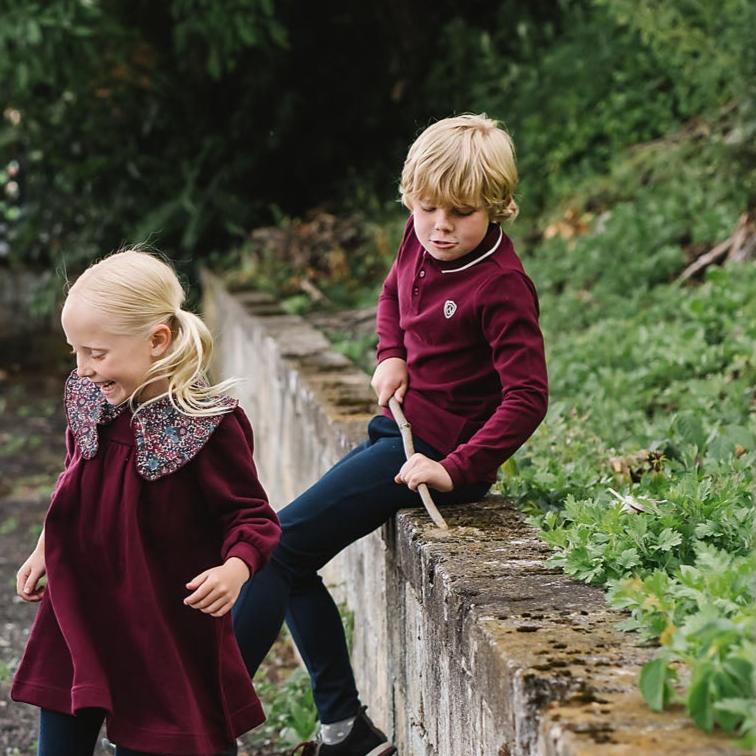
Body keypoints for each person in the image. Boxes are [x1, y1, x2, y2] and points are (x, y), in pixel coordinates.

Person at [232, 113, 549, 756]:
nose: (439, 226)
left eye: (460, 213)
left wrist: (456, 468)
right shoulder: (419, 239)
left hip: (433, 454)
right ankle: (344, 728)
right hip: (396, 435)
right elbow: (391, 294)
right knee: (290, 560)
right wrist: (390, 353)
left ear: (495, 207)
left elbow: (526, 397)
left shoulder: (501, 285)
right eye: (427, 208)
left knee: (275, 548)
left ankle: (197, 712)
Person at [12, 249, 281, 755]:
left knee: (158, 742)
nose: (83, 368)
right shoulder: (89, 399)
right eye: (75, 351)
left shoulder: (208, 424)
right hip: (81, 608)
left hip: (157, 623)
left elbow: (251, 516)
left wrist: (235, 570)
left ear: (157, 340)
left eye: (96, 352)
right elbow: (73, 483)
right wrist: (46, 547)